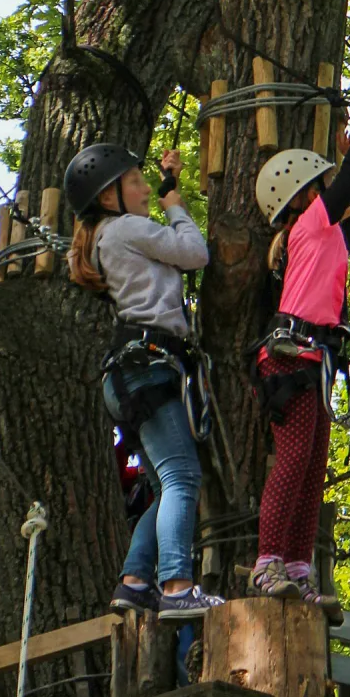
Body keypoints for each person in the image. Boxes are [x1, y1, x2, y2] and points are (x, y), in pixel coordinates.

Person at [249, 78, 350, 622]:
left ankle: (296, 569)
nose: (331, 194)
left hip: (315, 359)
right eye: (322, 185)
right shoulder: (308, 227)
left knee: (312, 469)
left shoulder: (330, 234)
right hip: (293, 358)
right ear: (303, 196)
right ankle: (267, 563)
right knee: (292, 465)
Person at [66, 143, 225, 620]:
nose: (145, 190)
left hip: (128, 375)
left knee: (163, 485)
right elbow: (195, 254)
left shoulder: (107, 236)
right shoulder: (128, 228)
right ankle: (176, 585)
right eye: (135, 182)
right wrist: (174, 206)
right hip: (149, 366)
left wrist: (168, 185)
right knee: (183, 476)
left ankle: (135, 582)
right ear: (110, 195)